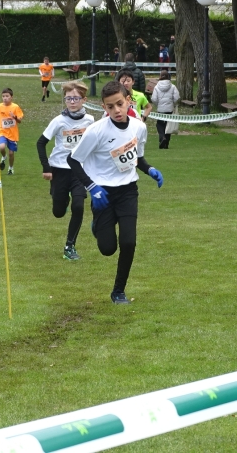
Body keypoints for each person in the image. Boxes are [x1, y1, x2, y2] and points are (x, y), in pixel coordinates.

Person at [67, 80, 164, 304]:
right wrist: (92, 187)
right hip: (103, 194)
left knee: (129, 242)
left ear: (128, 100)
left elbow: (136, 157)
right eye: (110, 107)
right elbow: (72, 160)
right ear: (104, 107)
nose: (116, 110)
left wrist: (149, 169)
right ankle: (98, 227)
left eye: (120, 104)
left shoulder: (139, 127)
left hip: (128, 191)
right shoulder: (96, 131)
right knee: (108, 249)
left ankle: (118, 291)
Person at [36, 81, 95, 261]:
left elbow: (95, 144)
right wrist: (46, 168)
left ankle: (70, 246)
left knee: (78, 206)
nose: (72, 102)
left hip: (79, 170)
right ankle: (61, 199)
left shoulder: (90, 121)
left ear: (83, 100)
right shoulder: (59, 121)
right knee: (59, 212)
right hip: (59, 169)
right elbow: (40, 143)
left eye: (75, 98)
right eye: (68, 98)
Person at [0, 88, 24, 175]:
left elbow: (20, 120)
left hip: (13, 134)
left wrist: (15, 117)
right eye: (3, 96)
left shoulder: (15, 107)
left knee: (11, 153)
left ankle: (10, 168)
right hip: (2, 132)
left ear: (11, 97)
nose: (5, 98)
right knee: (2, 147)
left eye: (7, 96)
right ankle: (4, 157)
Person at [151, 70, 180, 149]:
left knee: (160, 124)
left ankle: (162, 137)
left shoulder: (157, 87)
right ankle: (166, 143)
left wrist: (158, 104)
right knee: (168, 126)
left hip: (160, 109)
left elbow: (154, 99)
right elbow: (177, 97)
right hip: (169, 109)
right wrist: (172, 103)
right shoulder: (173, 86)